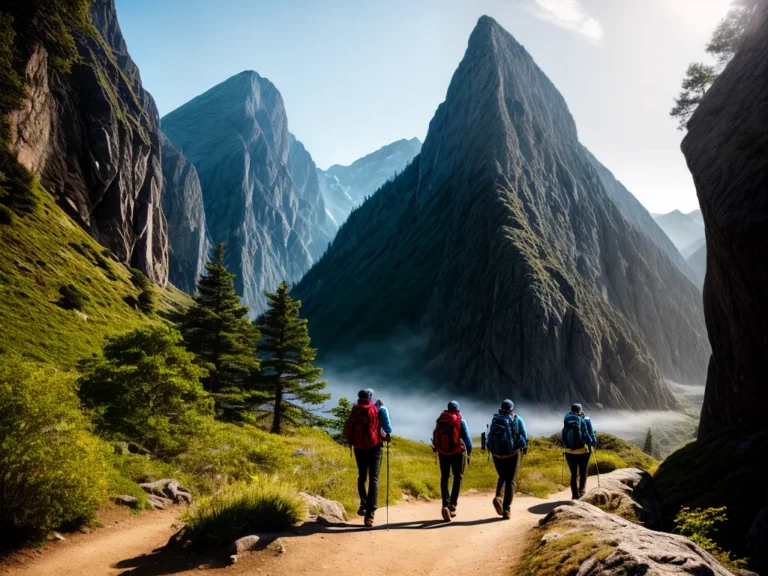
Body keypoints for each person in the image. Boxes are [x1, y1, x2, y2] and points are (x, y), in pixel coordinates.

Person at [343, 388, 393, 527]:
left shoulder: (355, 409)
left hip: (359, 447)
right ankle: (370, 515)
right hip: (374, 447)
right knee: (374, 478)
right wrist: (382, 409)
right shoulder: (379, 410)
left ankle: (363, 504)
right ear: (370, 397)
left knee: (362, 476)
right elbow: (388, 429)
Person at [487, 399, 528, 520]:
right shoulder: (517, 419)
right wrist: (523, 448)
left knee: (502, 477)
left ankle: (498, 498)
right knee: (511, 481)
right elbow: (524, 435)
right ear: (512, 408)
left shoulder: (495, 419)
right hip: (512, 454)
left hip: (496, 454)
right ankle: (506, 509)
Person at [432, 401, 472, 522]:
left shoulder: (441, 419)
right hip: (457, 453)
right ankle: (452, 505)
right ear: (458, 410)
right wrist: (469, 454)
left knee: (444, 477)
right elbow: (468, 441)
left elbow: (436, 436)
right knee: (458, 477)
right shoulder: (460, 421)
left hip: (442, 453)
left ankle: (445, 504)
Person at [562, 403, 597, 499]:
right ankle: (582, 492)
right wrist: (592, 443)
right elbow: (588, 434)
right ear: (580, 410)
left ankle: (574, 495)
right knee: (583, 472)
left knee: (573, 474)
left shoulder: (567, 418)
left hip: (569, 451)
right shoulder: (585, 419)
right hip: (583, 451)